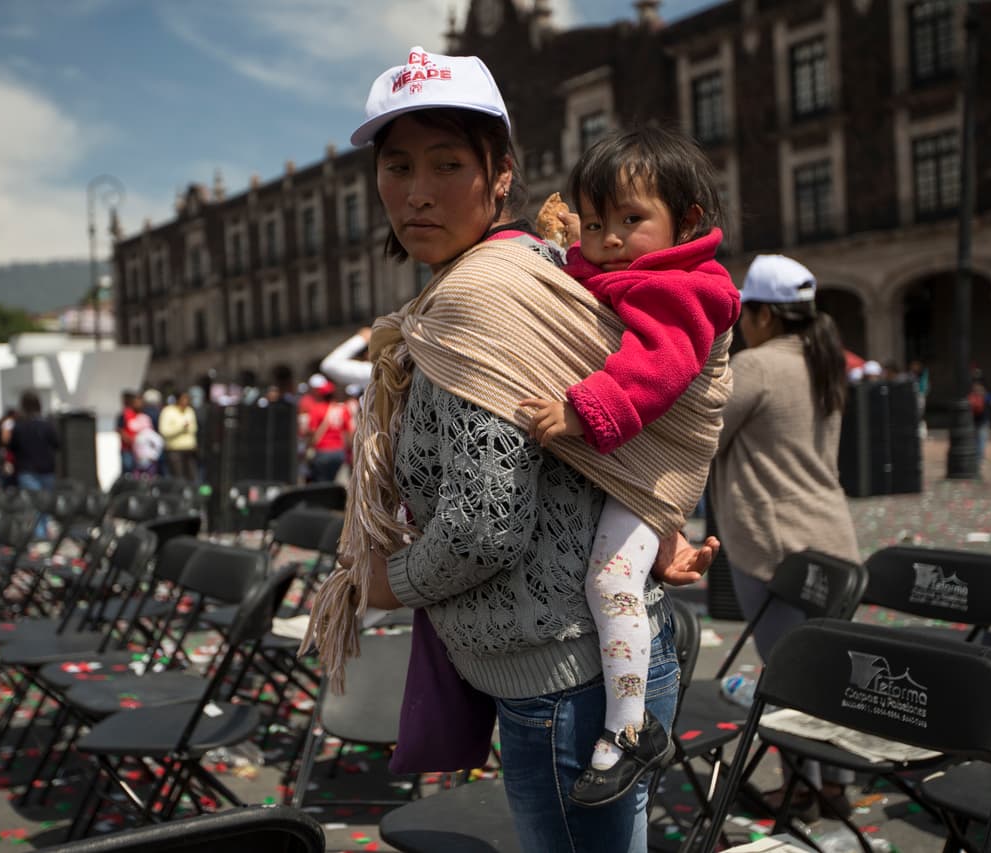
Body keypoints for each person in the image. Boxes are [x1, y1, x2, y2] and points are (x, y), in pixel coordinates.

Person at [304, 47, 723, 853]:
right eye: (396, 167)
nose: (417, 191)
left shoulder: (477, 299)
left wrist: (380, 581)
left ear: (500, 174)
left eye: (448, 162)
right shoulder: (521, 271)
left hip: (565, 685)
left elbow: (485, 523)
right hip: (580, 667)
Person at [516, 125, 740, 804]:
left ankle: (630, 729)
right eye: (595, 223)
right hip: (637, 469)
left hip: (656, 470)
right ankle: (628, 723)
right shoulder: (624, 269)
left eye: (631, 220)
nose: (608, 238)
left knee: (610, 578)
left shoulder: (683, 287)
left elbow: (660, 364)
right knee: (612, 575)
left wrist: (585, 410)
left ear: (688, 221)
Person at [709, 254, 860, 821]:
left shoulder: (757, 367)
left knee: (787, 677)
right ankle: (835, 787)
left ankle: (800, 790)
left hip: (773, 545)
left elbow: (703, 437)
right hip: (832, 534)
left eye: (745, 311)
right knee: (832, 674)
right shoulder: (823, 361)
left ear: (765, 314)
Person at [7, 390, 59, 537]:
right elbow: (57, 443)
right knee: (45, 504)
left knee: (34, 505)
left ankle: (40, 535)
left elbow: (12, 447)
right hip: (47, 469)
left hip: (27, 470)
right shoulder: (47, 425)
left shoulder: (19, 426)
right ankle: (44, 532)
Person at [298, 374, 354, 483]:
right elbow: (349, 433)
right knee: (339, 483)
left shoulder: (316, 409)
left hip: (322, 452)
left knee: (321, 483)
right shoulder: (342, 409)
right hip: (339, 452)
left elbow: (311, 431)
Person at [159, 392, 199, 482]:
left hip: (189, 449)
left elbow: (193, 428)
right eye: (183, 398)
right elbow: (164, 431)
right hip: (174, 450)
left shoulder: (190, 411)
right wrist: (181, 428)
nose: (186, 401)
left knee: (192, 476)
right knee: (178, 476)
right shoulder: (168, 411)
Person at [969, 378, 991, 467]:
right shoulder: (984, 395)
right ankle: (979, 458)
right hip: (981, 421)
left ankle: (978, 458)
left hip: (979, 421)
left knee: (978, 440)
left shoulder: (977, 396)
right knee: (980, 441)